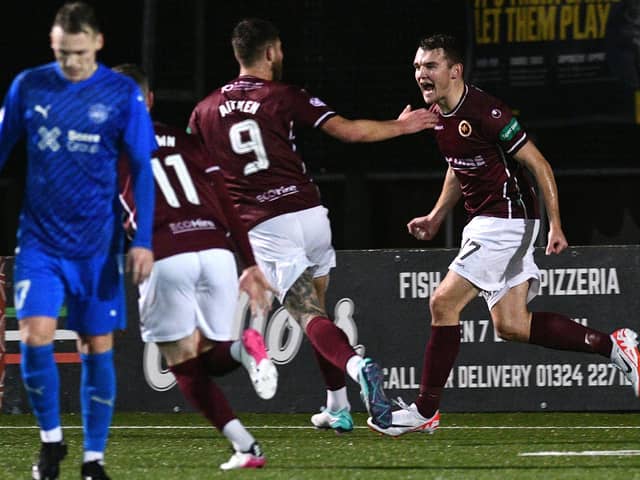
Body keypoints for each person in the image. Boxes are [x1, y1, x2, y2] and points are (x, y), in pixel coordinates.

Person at [367, 33, 640, 437]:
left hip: (507, 221)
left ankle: (425, 410)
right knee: (512, 324)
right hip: (488, 221)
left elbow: (540, 164)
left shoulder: (485, 110)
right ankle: (614, 345)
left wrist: (556, 225)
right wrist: (437, 214)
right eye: (417, 67)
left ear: (454, 70)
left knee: (442, 302)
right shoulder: (436, 113)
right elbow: (458, 166)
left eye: (430, 66)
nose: (421, 74)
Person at [188, 17, 440, 432]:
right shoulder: (284, 95)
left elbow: (199, 176)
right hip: (311, 216)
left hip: (267, 225)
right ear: (270, 52)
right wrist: (402, 126)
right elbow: (349, 132)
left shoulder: (204, 110)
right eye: (280, 49)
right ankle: (337, 407)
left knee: (307, 315)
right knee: (318, 313)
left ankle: (359, 368)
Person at [0, 3, 156, 479]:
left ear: (98, 44)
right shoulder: (29, 85)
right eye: (62, 53)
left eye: (80, 53)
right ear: (53, 46)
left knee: (95, 345)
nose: (70, 63)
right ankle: (51, 444)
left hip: (97, 247)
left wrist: (143, 238)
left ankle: (93, 459)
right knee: (33, 337)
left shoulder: (119, 94)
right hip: (41, 244)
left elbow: (144, 168)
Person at [114, 63, 277, 470]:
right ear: (149, 100)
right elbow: (227, 205)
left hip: (165, 254)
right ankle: (246, 348)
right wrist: (250, 264)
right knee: (210, 355)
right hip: (216, 252)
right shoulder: (189, 143)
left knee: (181, 361)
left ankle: (245, 446)